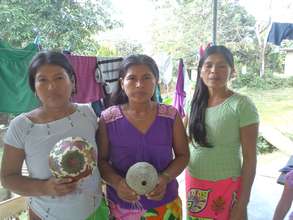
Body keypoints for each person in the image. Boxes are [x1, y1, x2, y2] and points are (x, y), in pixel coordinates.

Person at [0, 51, 108, 220]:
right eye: (42, 80)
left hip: (94, 211)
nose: (52, 87)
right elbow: (8, 178)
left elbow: (100, 158)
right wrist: (46, 188)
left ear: (72, 81)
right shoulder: (21, 126)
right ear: (33, 87)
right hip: (47, 215)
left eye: (59, 78)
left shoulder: (87, 113)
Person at [98, 54, 189, 219]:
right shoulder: (108, 119)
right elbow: (101, 161)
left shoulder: (170, 115)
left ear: (156, 81)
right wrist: (118, 183)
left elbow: (183, 155)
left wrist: (165, 178)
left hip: (165, 206)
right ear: (122, 83)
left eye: (146, 77)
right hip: (122, 208)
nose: (139, 84)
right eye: (132, 78)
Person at [185, 45, 259, 220]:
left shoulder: (241, 105)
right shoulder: (192, 102)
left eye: (221, 66)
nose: (214, 71)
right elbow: (181, 140)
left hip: (227, 184)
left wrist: (242, 203)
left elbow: (250, 158)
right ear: (200, 70)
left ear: (232, 71)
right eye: (208, 65)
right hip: (195, 182)